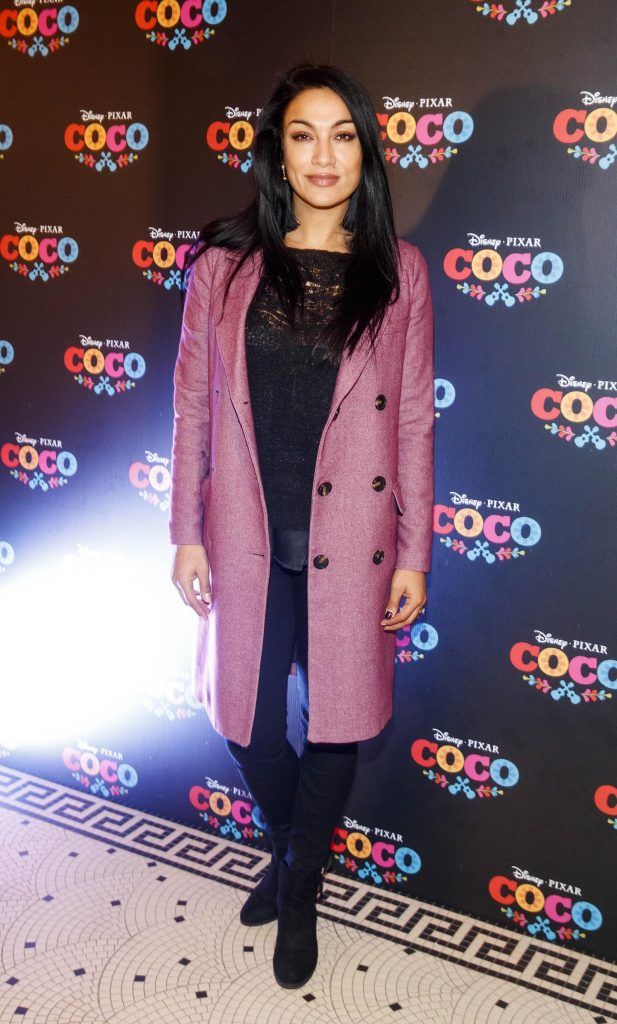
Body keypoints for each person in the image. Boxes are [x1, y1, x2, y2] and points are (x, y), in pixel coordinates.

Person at [169, 62, 435, 989]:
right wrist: (185, 533)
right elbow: (191, 412)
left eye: (342, 135)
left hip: (353, 544)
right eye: (303, 134)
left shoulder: (400, 274)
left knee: (335, 725)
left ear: (365, 150)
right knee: (245, 721)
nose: (323, 156)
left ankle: (298, 884)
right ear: (277, 150)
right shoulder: (222, 269)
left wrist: (415, 551)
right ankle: (294, 856)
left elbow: (409, 421)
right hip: (244, 534)